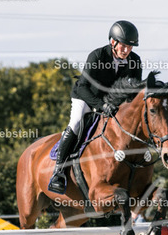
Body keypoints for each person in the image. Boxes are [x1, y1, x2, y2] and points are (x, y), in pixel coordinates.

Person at [48, 20, 143, 194]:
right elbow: (83, 87)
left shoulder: (135, 61)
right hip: (86, 97)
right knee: (76, 123)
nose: (127, 50)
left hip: (112, 102)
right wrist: (101, 105)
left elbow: (134, 93)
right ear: (113, 42)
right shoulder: (97, 56)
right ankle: (58, 172)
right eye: (123, 46)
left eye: (130, 47)